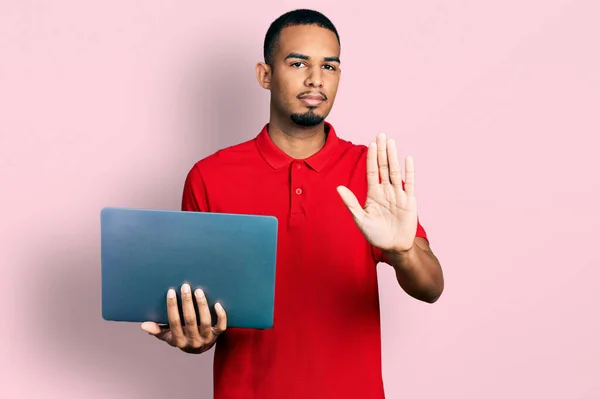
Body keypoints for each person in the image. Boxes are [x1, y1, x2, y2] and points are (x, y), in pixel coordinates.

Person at [141, 8, 444, 399]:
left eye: (330, 66)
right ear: (265, 75)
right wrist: (195, 336)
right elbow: (200, 314)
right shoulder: (209, 176)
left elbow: (431, 286)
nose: (316, 79)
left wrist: (403, 251)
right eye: (298, 62)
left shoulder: (370, 173)